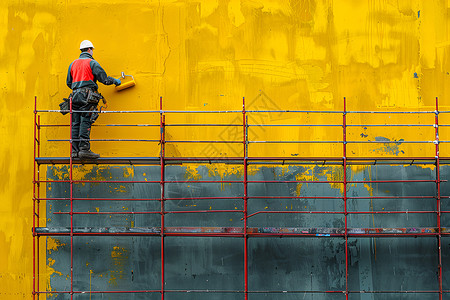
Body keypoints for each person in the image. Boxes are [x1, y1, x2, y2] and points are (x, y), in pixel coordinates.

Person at [66, 40, 121, 159]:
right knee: (86, 120)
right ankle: (84, 149)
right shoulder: (92, 63)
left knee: (75, 122)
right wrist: (115, 81)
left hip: (74, 96)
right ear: (90, 49)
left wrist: (78, 88)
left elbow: (69, 83)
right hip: (87, 96)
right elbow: (104, 79)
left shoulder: (72, 64)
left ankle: (74, 151)